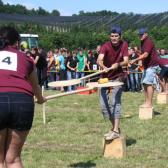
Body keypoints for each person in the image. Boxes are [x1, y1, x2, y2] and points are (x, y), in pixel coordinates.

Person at [0, 26, 46, 168]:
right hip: (23, 101)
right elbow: (35, 85)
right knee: (13, 159)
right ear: (18, 42)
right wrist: (40, 98)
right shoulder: (27, 58)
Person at [97, 26, 129, 140]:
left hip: (118, 77)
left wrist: (118, 64)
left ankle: (115, 130)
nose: (114, 38)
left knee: (115, 101)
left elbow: (126, 61)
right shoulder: (105, 46)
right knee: (103, 105)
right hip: (105, 78)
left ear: (120, 37)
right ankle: (115, 128)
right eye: (112, 36)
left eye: (116, 36)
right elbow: (99, 59)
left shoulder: (124, 45)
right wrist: (103, 66)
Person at [130, 28, 160, 107]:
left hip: (152, 66)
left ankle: (149, 103)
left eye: (142, 34)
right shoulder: (142, 42)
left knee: (148, 83)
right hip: (147, 66)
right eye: (139, 34)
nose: (140, 36)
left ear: (146, 34)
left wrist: (135, 59)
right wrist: (137, 52)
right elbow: (144, 54)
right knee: (144, 83)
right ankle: (147, 102)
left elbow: (146, 55)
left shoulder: (148, 42)